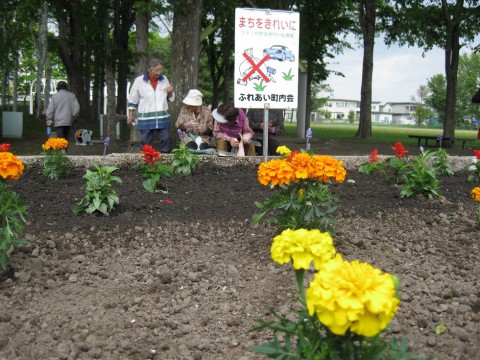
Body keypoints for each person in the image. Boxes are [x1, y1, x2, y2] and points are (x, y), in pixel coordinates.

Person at [127, 57, 174, 153]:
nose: (159, 73)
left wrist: (170, 92)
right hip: (146, 117)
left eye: (160, 70)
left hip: (162, 117)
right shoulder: (139, 81)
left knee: (166, 139)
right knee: (145, 142)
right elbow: (133, 99)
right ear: (149, 69)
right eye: (156, 70)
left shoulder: (164, 79)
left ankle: (166, 162)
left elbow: (169, 98)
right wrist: (130, 115)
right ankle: (146, 162)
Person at [45, 80, 80, 150]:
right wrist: (73, 116)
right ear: (66, 87)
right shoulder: (72, 95)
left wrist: (49, 118)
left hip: (58, 121)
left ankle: (61, 153)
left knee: (60, 137)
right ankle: (65, 151)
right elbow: (77, 107)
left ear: (58, 87)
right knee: (66, 137)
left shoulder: (55, 96)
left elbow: (50, 109)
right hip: (68, 120)